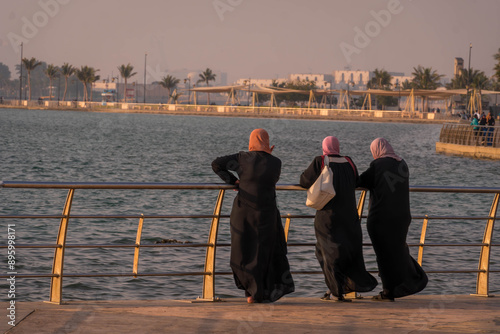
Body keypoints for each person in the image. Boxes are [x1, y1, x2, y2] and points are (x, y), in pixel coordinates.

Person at [211, 128, 294, 303]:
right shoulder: (276, 162)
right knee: (264, 251)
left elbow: (216, 164)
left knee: (243, 249)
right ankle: (262, 292)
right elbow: (269, 178)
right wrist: (267, 153)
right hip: (267, 212)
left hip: (244, 211)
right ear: (267, 141)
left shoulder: (242, 158)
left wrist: (233, 181)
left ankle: (250, 292)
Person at [299, 136, 377, 302]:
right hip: (349, 216)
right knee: (345, 251)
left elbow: (304, 180)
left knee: (326, 252)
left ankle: (336, 291)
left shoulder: (320, 161)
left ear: (324, 147)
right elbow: (357, 182)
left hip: (328, 216)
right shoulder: (349, 161)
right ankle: (342, 287)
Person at [357, 138, 428, 301]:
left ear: (376, 150)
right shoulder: (402, 163)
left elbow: (361, 181)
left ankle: (390, 290)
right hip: (402, 218)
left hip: (381, 219)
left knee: (384, 255)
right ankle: (406, 283)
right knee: (398, 251)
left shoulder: (377, 165)